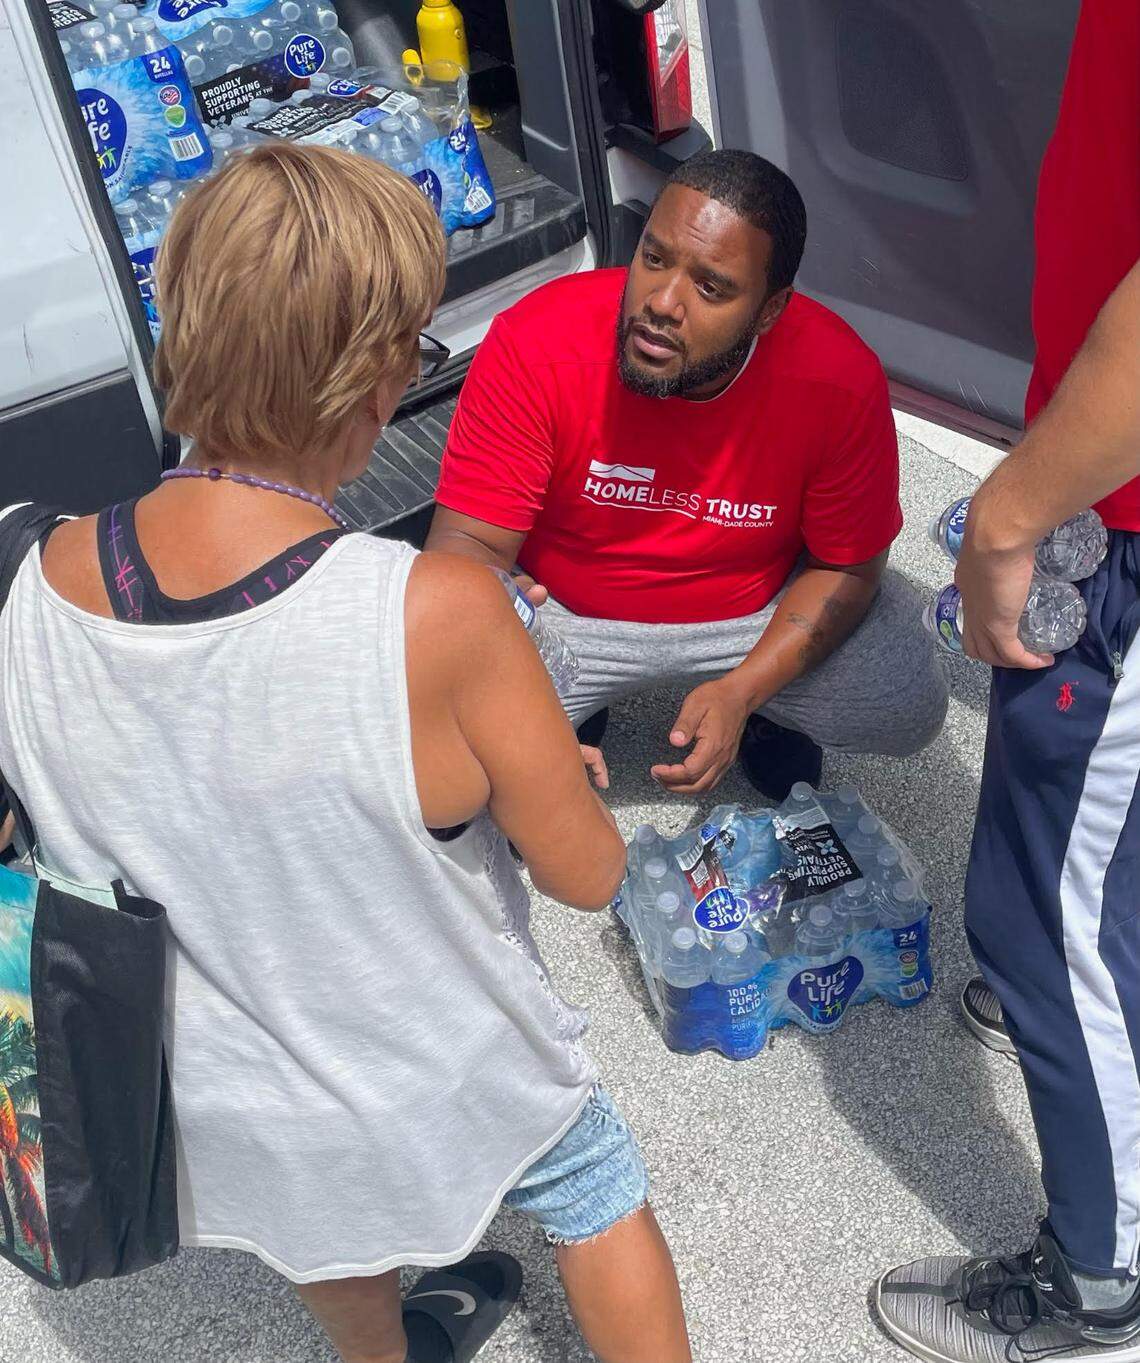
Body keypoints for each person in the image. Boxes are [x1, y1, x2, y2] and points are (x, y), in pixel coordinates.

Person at [0, 145, 691, 1363]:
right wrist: (540, 774)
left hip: (221, 1101)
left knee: (323, 1234)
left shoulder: (27, 578)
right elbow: (587, 874)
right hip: (437, 1063)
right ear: (373, 381)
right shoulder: (430, 608)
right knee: (592, 1189)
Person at [876, 3, 1140, 1358]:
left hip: (1131, 520)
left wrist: (1008, 513)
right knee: (1109, 856)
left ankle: (1099, 1278)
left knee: (1040, 908)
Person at [425, 150, 948, 801]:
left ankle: (766, 713)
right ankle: (569, 704)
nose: (662, 302)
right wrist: (511, 687)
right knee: (430, 706)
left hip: (751, 612)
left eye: (711, 287)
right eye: (654, 257)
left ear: (769, 310)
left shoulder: (838, 379)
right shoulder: (537, 340)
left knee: (905, 694)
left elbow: (850, 565)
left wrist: (745, 688)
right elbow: (466, 550)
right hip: (564, 612)